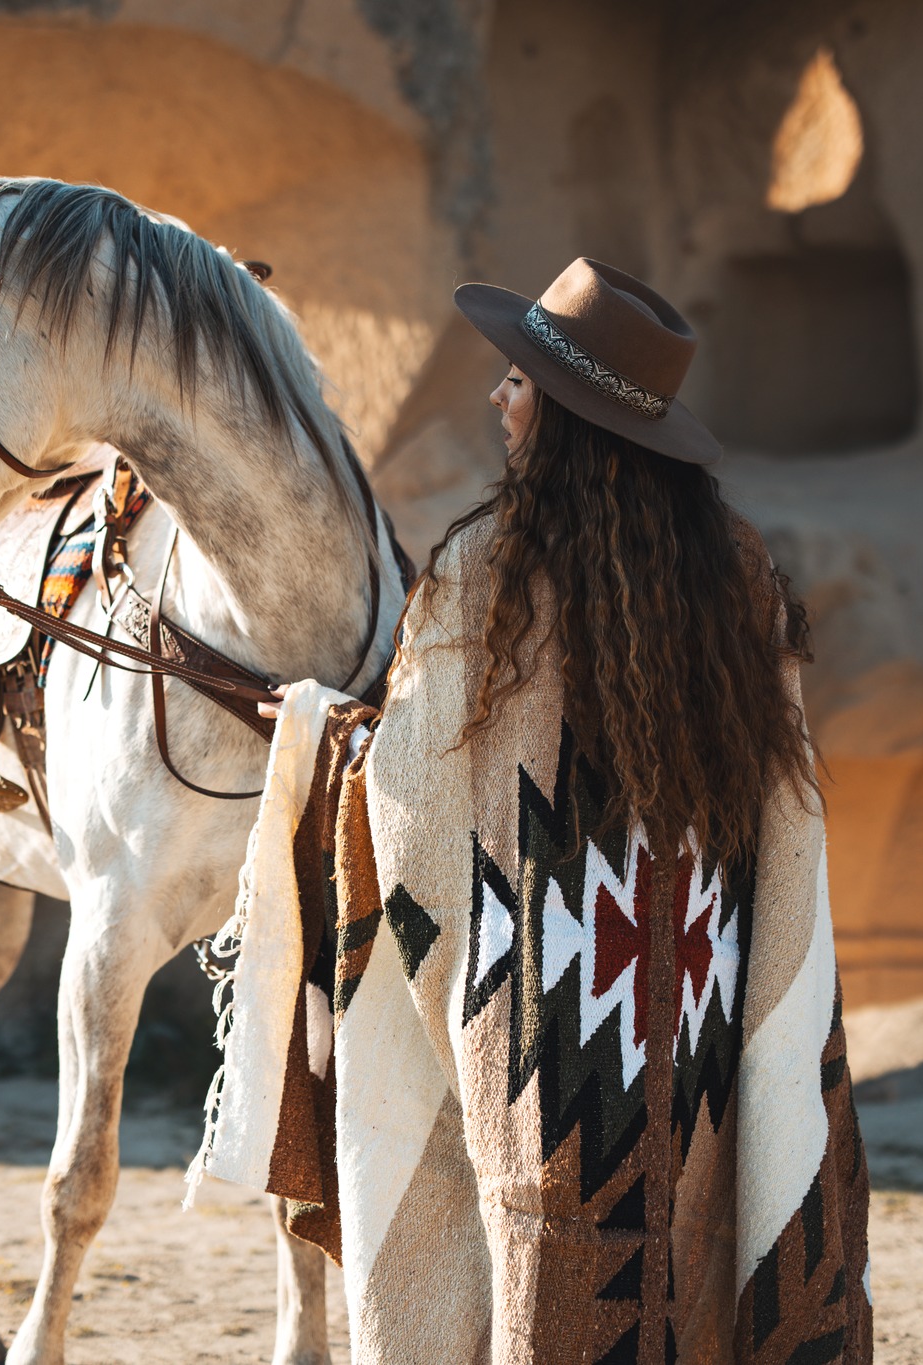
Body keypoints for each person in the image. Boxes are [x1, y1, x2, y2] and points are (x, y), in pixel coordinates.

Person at [200, 259, 870, 1365]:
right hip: (701, 1011)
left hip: (547, 1039)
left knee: (543, 1252)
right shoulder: (738, 575)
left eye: (517, 382)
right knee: (692, 1230)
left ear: (564, 412)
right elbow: (779, 811)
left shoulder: (489, 573)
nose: (497, 398)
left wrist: (331, 744)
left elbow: (415, 802)